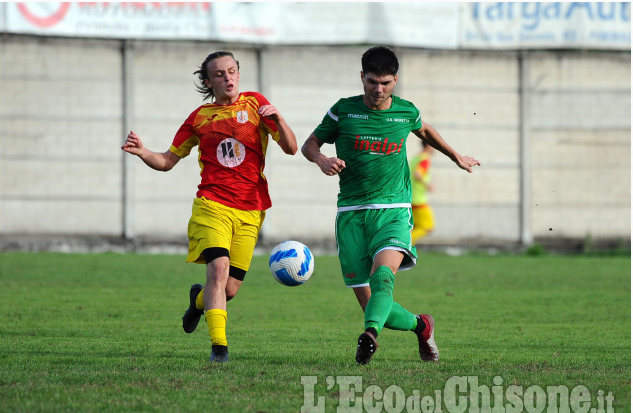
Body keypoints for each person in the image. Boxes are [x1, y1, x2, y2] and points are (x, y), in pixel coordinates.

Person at [301, 46, 480, 365]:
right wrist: (321, 159)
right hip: (351, 215)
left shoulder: (405, 111)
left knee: (384, 277)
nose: (378, 89)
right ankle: (421, 326)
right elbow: (310, 144)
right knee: (370, 300)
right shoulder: (343, 110)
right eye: (372, 81)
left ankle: (369, 335)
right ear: (362, 78)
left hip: (394, 211)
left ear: (395, 80)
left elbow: (424, 130)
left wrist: (456, 156)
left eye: (385, 82)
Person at [121, 51, 297, 363]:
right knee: (217, 269)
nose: (227, 78)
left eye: (232, 71)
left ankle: (198, 302)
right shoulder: (199, 118)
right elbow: (167, 161)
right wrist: (143, 151)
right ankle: (219, 349)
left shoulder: (256, 104)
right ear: (208, 81)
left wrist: (279, 119)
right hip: (212, 205)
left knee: (229, 289)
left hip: (251, 209)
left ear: (239, 75)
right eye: (219, 74)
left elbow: (291, 148)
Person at [410, 140, 435, 244]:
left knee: (414, 227)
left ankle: (406, 252)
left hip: (411, 197)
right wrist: (427, 185)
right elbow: (418, 174)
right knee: (427, 227)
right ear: (428, 145)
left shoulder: (415, 158)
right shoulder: (425, 159)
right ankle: (405, 242)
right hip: (419, 199)